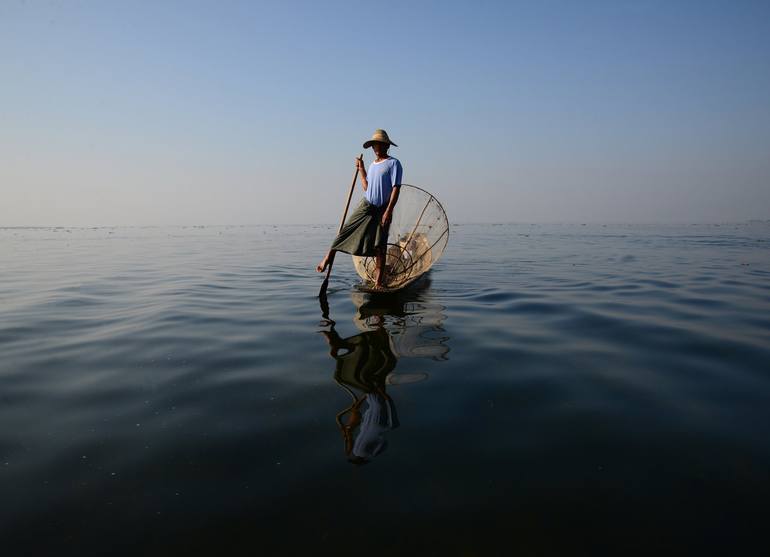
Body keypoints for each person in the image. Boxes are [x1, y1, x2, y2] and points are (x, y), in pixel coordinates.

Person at [316, 129, 403, 289]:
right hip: (366, 206)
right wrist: (361, 169)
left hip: (382, 209)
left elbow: (396, 189)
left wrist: (388, 211)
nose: (375, 148)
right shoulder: (372, 165)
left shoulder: (393, 163)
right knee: (345, 231)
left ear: (385, 146)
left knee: (380, 247)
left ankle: (378, 283)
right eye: (373, 145)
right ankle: (328, 257)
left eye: (378, 145)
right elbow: (366, 187)